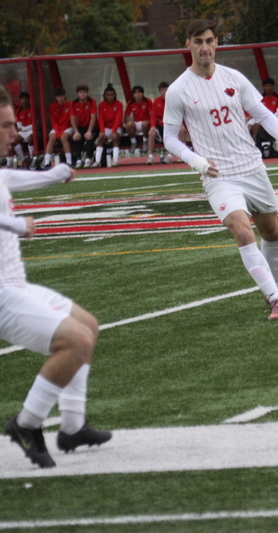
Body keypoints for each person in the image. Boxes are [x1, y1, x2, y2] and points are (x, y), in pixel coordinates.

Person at [163, 18, 278, 320]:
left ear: (217, 43)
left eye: (209, 40)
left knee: (272, 233)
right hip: (218, 176)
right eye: (198, 41)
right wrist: (196, 160)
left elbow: (264, 115)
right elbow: (168, 138)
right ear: (188, 45)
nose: (204, 47)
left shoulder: (234, 77)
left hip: (252, 166)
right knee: (242, 232)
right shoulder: (178, 90)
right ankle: (274, 299)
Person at [0, 85, 111, 469]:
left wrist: (53, 174)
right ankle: (27, 423)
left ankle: (72, 425)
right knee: (76, 341)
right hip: (1, 296)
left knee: (88, 326)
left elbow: (9, 181)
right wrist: (15, 225)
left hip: (13, 286)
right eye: (6, 126)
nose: (14, 133)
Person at [249, 77, 278, 158]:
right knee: (252, 126)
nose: (267, 88)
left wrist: (269, 118)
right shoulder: (260, 97)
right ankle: (254, 145)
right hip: (261, 117)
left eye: (269, 86)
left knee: (277, 125)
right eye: (266, 86)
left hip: (275, 117)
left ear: (273, 86)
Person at [92, 84, 123, 168]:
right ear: (105, 96)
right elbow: (101, 118)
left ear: (115, 95)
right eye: (108, 95)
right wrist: (102, 131)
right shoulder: (101, 105)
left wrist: (113, 131)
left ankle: (115, 160)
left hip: (116, 127)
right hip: (106, 128)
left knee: (115, 138)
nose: (110, 97)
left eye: (112, 95)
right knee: (100, 138)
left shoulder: (119, 104)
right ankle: (97, 161)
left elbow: (118, 119)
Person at [43, 87, 73, 169]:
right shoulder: (52, 106)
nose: (60, 98)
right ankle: (46, 162)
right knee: (52, 138)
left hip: (68, 127)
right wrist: (57, 131)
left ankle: (69, 161)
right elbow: (53, 121)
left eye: (61, 96)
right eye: (58, 96)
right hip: (57, 127)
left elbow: (69, 120)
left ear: (64, 96)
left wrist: (61, 132)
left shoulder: (70, 104)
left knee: (64, 137)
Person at [70, 84, 97, 169]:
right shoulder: (74, 103)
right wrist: (76, 132)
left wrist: (89, 131)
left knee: (89, 138)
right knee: (77, 138)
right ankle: (78, 160)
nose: (82, 94)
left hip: (93, 127)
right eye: (80, 92)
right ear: (77, 94)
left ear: (87, 93)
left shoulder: (92, 101)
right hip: (80, 127)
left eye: (84, 92)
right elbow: (72, 118)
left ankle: (88, 159)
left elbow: (93, 117)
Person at [147, 81, 172, 165]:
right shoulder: (156, 101)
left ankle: (170, 156)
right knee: (151, 133)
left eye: (166, 90)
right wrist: (152, 126)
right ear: (159, 91)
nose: (164, 92)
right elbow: (153, 115)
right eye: (162, 90)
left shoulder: (173, 100)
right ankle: (150, 157)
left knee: (172, 135)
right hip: (160, 125)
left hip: (170, 125)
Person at [124, 85, 152, 157]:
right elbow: (126, 117)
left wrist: (152, 125)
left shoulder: (147, 101)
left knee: (144, 124)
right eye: (136, 93)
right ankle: (133, 142)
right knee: (129, 124)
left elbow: (151, 114)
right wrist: (127, 126)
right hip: (136, 124)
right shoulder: (130, 103)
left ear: (142, 93)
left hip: (146, 123)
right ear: (133, 95)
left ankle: (145, 141)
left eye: (140, 92)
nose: (138, 94)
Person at [11, 92, 36, 169]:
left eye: (26, 98)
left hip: (33, 131)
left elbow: (34, 125)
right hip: (23, 132)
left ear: (29, 99)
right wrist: (26, 128)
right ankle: (24, 160)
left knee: (30, 139)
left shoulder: (33, 109)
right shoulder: (18, 111)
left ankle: (32, 159)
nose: (24, 100)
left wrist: (25, 128)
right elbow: (19, 127)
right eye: (22, 99)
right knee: (13, 141)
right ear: (20, 100)